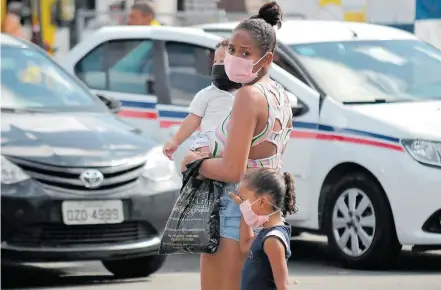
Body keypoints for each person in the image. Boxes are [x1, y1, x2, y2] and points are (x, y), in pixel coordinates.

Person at [181, 2, 292, 290]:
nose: (234, 57)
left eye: (246, 53)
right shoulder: (279, 94)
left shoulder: (248, 96)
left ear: (266, 59)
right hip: (264, 210)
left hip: (234, 206)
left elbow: (233, 169)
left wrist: (194, 163)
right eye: (231, 49)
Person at [163, 39, 241, 161]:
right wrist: (175, 141)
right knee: (193, 159)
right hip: (208, 143)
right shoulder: (206, 94)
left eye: (223, 61)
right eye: (215, 61)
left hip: (234, 147)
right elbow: (193, 120)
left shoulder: (246, 94)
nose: (217, 65)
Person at [229, 168, 296, 290]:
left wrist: (245, 209)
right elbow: (245, 245)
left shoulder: (273, 240)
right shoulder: (266, 233)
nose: (243, 204)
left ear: (262, 202)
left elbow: (283, 286)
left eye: (244, 200)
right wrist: (244, 209)